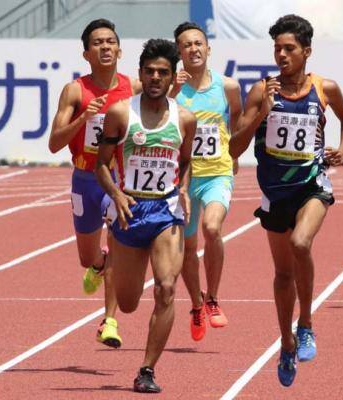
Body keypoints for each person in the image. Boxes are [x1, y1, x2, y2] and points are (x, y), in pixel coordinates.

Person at [231, 14, 343, 387]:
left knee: (302, 242)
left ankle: (307, 325)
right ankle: (286, 341)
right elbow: (234, 147)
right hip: (274, 191)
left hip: (312, 183)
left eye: (289, 49)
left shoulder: (326, 89)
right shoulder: (261, 91)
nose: (282, 55)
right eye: (277, 49)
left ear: (307, 51)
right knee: (283, 274)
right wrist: (260, 115)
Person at [95, 38, 196, 393]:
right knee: (128, 302)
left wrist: (183, 188)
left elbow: (185, 161)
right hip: (129, 210)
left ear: (172, 78)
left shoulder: (185, 118)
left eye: (163, 72)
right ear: (140, 73)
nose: (155, 77)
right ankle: (107, 267)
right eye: (150, 71)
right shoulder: (121, 113)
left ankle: (147, 370)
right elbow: (101, 165)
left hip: (165, 210)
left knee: (167, 289)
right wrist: (116, 193)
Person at [48, 18, 141, 348]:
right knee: (88, 258)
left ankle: (110, 321)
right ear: (86, 53)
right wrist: (83, 118)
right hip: (85, 179)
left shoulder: (135, 88)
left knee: (118, 241)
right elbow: (54, 143)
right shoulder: (76, 90)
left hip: (118, 179)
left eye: (110, 41)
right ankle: (97, 265)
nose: (105, 47)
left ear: (119, 49)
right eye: (98, 43)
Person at [170, 21, 243, 341]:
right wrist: (172, 90)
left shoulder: (228, 86)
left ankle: (212, 298)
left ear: (208, 48)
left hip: (217, 172)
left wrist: (235, 152)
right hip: (183, 176)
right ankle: (196, 303)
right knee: (188, 246)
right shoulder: (173, 88)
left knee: (212, 228)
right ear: (179, 52)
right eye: (186, 45)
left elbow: (237, 117)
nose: (193, 49)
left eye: (198, 43)